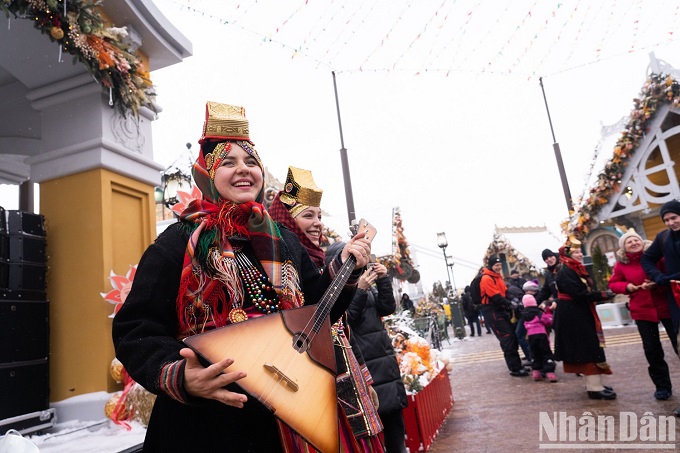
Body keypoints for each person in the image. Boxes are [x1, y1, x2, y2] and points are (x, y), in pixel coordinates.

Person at [112, 102, 374, 452]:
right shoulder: (177, 243)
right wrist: (180, 375)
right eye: (228, 162)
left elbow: (318, 314)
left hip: (283, 418)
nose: (244, 170)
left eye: (251, 162)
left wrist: (347, 269)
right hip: (205, 427)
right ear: (206, 173)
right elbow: (135, 329)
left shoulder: (283, 240)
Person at [268, 166, 384, 451]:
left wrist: (365, 377)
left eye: (319, 216)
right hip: (306, 386)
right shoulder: (280, 267)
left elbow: (340, 325)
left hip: (344, 377)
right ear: (287, 223)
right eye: (308, 215)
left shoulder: (321, 261)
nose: (318, 223)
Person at [334, 243, 408, 453]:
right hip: (365, 363)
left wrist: (383, 280)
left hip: (384, 363)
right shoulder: (339, 290)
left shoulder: (363, 285)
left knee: (396, 433)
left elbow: (386, 307)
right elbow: (344, 319)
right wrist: (359, 290)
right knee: (373, 437)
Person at [611, 228, 676, 401]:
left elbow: (667, 275)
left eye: (635, 240)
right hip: (642, 310)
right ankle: (662, 387)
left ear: (642, 241)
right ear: (624, 247)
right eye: (629, 241)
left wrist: (657, 283)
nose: (634, 243)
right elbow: (614, 283)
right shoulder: (621, 264)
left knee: (678, 345)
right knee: (652, 350)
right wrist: (628, 287)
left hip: (665, 306)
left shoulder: (656, 256)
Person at [553, 237, 616, 400]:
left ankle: (593, 384)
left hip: (576, 311)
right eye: (575, 252)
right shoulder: (567, 269)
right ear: (568, 254)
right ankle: (594, 388)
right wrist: (603, 295)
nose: (579, 254)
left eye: (580, 251)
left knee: (587, 346)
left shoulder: (572, 267)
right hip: (574, 313)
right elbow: (579, 294)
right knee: (588, 347)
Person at [479, 255, 528, 376]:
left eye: (500, 265)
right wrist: (510, 304)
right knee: (507, 338)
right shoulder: (486, 278)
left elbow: (505, 291)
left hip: (501, 310)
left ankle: (517, 365)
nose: (499, 267)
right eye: (496, 265)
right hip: (492, 311)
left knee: (512, 336)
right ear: (491, 265)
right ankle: (514, 368)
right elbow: (495, 296)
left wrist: (513, 299)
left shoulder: (497, 277)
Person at [520, 294, 558, 382]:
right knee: (546, 353)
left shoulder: (524, 314)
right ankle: (550, 373)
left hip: (531, 336)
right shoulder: (538, 312)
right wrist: (550, 318)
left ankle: (536, 373)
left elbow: (524, 325)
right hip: (541, 335)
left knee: (535, 354)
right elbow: (547, 321)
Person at [535, 249, 559, 313]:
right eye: (546, 259)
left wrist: (556, 300)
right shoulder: (549, 274)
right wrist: (534, 304)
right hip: (559, 305)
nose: (549, 259)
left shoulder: (563, 267)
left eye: (551, 257)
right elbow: (545, 291)